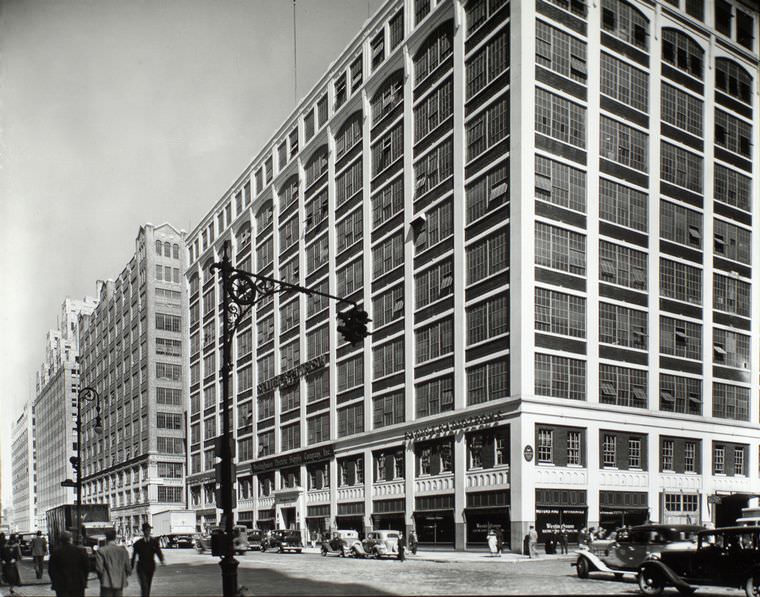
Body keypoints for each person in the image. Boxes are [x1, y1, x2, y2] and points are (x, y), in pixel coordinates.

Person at [48, 530, 90, 597]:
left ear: (61, 540)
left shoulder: (56, 553)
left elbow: (51, 570)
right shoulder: (80, 551)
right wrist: (84, 580)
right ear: (71, 539)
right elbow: (86, 568)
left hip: (61, 586)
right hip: (78, 585)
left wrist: (55, 582)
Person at [131, 522, 165, 597]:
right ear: (143, 531)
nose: (148, 531)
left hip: (150, 567)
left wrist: (161, 560)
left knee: (148, 585)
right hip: (141, 568)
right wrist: (131, 566)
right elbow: (133, 556)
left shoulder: (154, 542)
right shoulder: (138, 543)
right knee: (144, 585)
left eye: (149, 530)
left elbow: (158, 551)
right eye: (147, 530)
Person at [95, 528, 132, 597]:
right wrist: (122, 576)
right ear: (115, 537)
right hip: (119, 583)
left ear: (106, 538)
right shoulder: (123, 551)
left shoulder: (101, 551)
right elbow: (128, 569)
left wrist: (102, 578)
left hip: (106, 583)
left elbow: (99, 568)